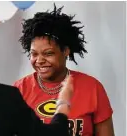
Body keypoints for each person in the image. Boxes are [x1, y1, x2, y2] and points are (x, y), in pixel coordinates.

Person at [14, 4, 114, 136]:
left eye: (48, 53)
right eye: (34, 54)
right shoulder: (19, 90)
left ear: (66, 51)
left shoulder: (92, 88)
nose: (39, 60)